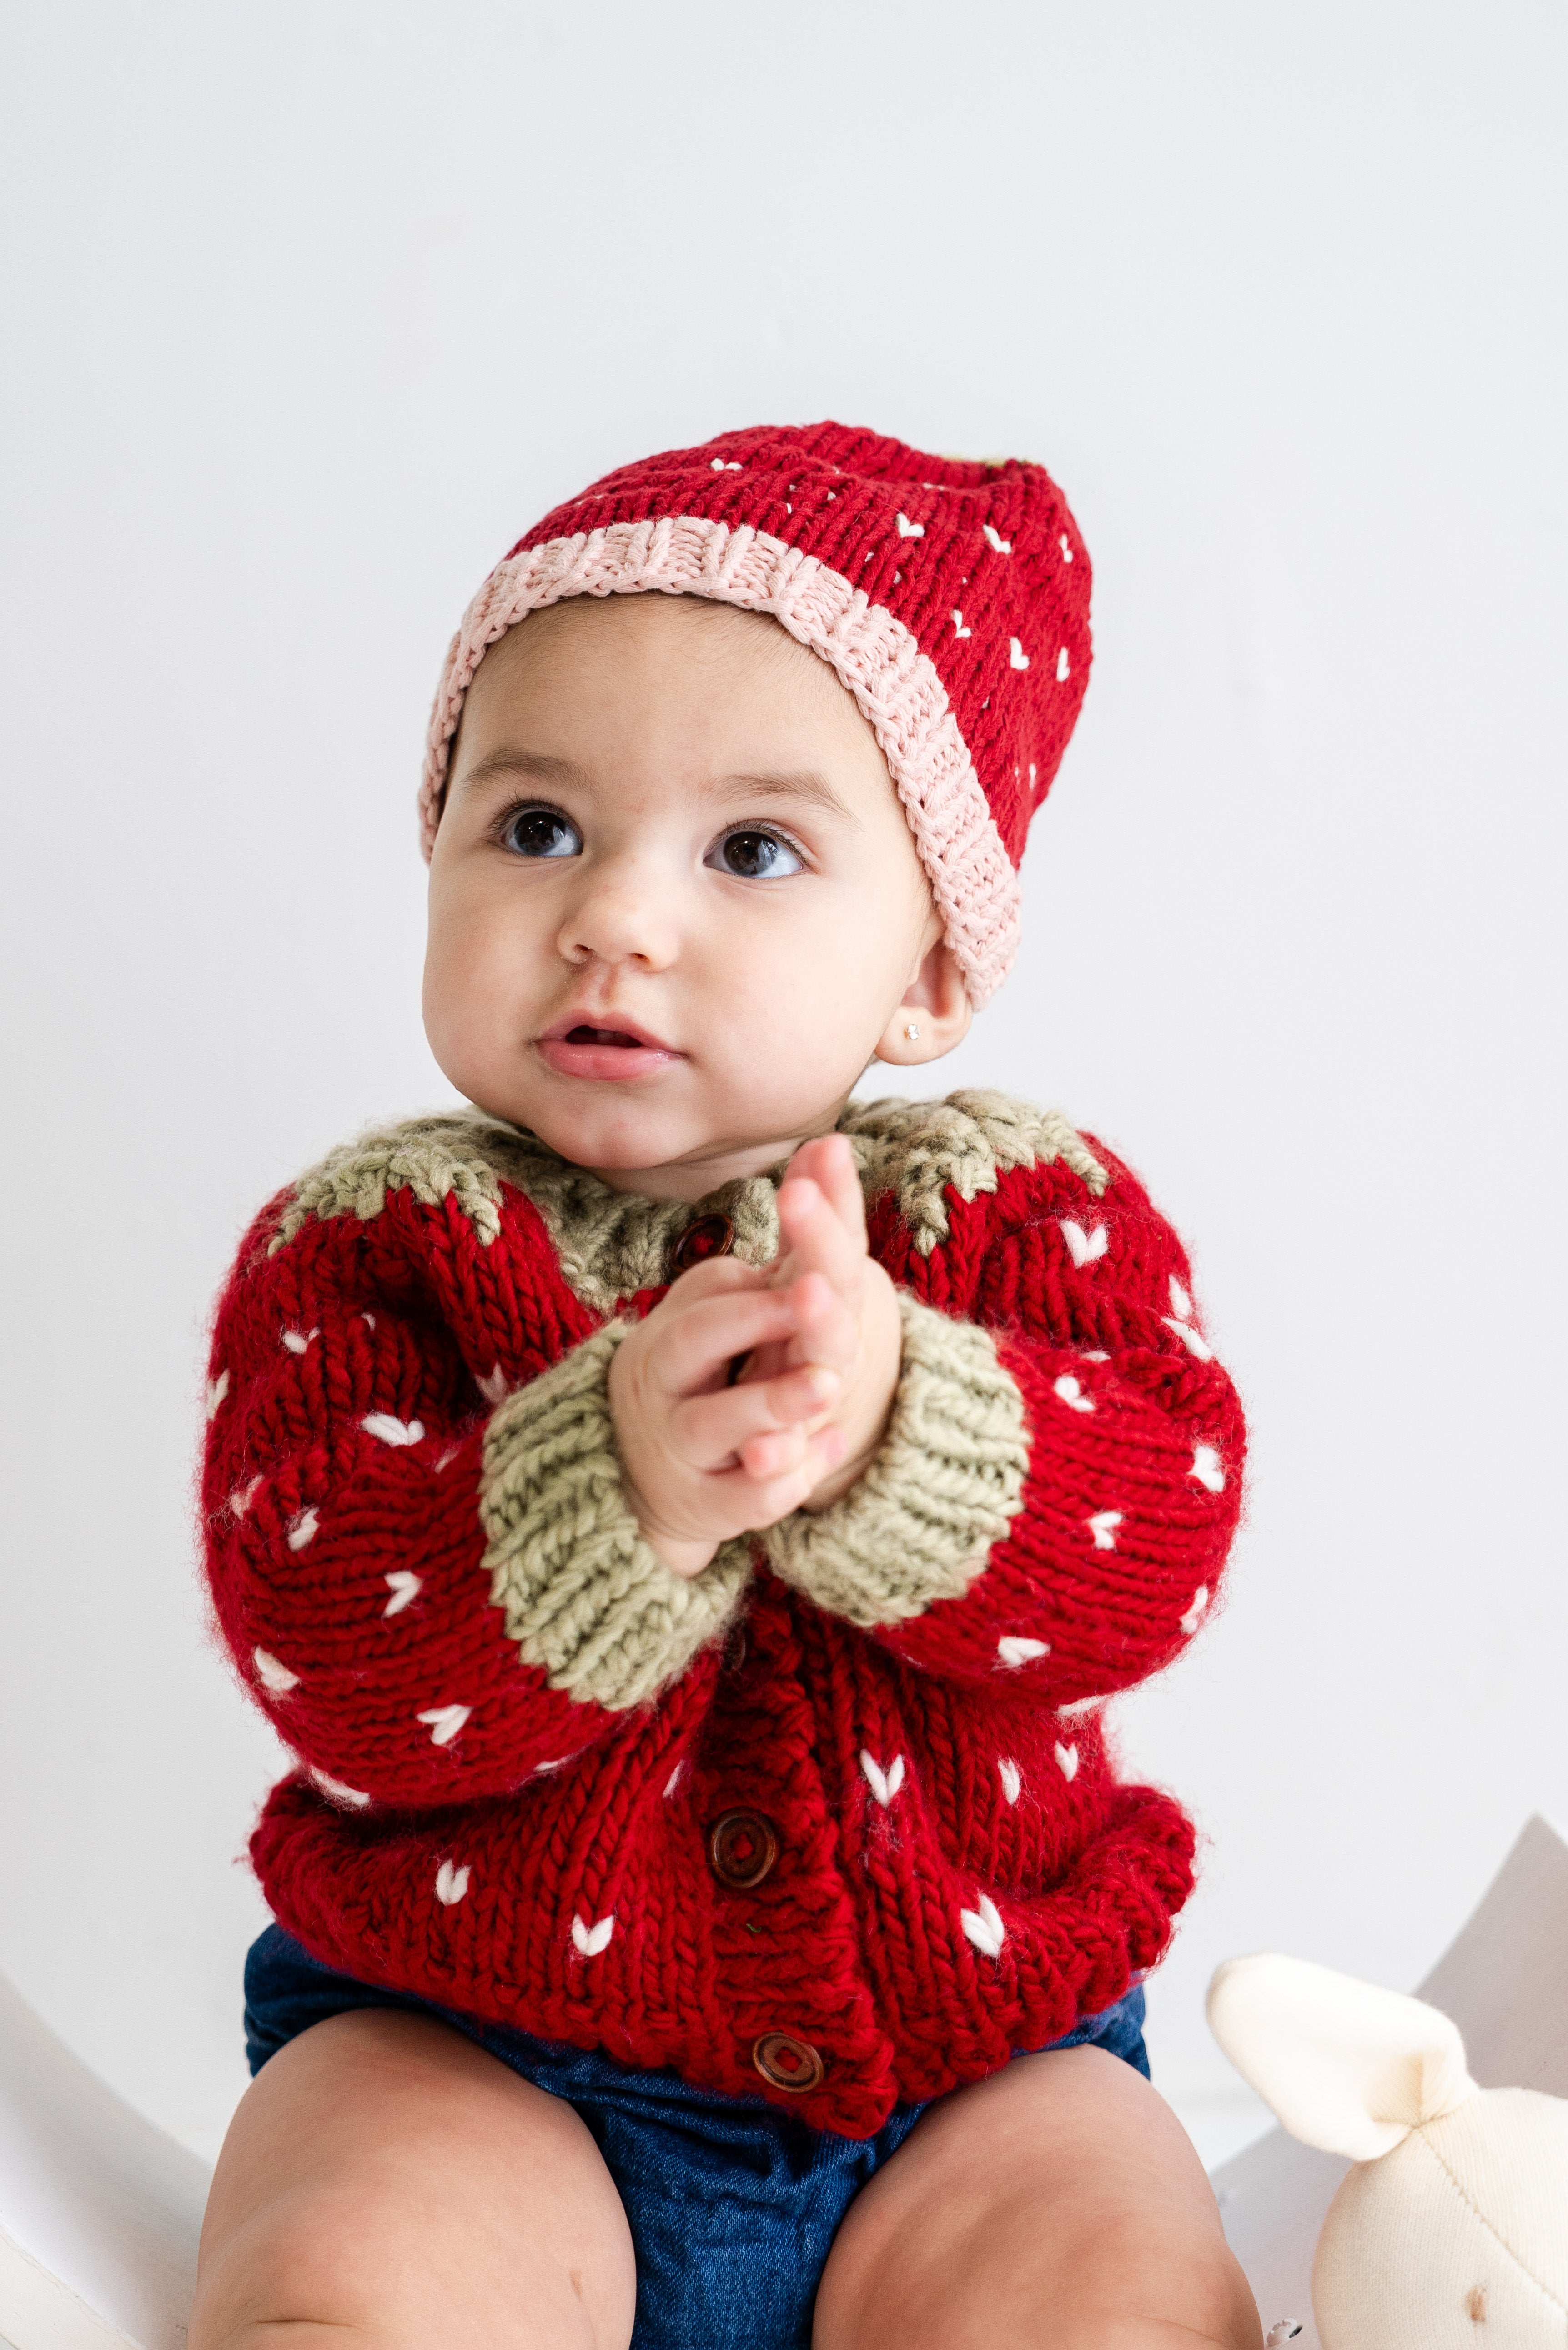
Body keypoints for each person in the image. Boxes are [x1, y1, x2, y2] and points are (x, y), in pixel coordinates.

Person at [189, 422, 1259, 2350]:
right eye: (533, 826)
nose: (615, 912)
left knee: (1119, 2290)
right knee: (347, 2265)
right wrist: (614, 1479)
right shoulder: (372, 1247)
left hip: (975, 2067)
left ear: (928, 967)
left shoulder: (1024, 1218)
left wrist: (899, 1427)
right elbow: (322, 1630)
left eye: (751, 849)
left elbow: (1160, 1536)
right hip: (473, 2045)